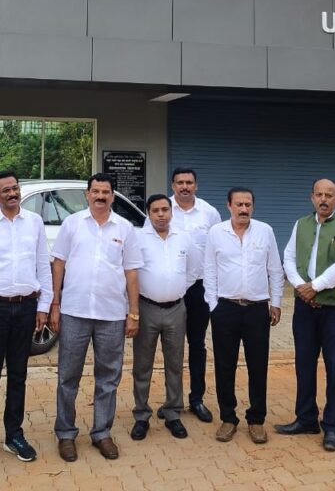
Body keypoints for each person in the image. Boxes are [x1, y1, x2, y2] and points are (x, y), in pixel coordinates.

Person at [49, 173, 143, 462]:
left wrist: (134, 313)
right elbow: (58, 264)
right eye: (96, 191)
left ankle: (102, 433)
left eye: (106, 192)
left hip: (111, 314)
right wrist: (55, 304)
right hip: (74, 311)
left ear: (113, 196)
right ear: (87, 194)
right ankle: (66, 434)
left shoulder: (125, 228)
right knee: (68, 376)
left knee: (108, 378)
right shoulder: (72, 224)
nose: (100, 196)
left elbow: (131, 273)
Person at [0, 170, 52, 471]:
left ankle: (14, 435)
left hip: (26, 308)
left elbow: (43, 265)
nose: (12, 193)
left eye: (15, 188)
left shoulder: (35, 223)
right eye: (5, 190)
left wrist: (44, 305)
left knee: (18, 375)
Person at [276, 179, 335, 452]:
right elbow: (288, 257)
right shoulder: (301, 224)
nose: (324, 199)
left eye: (329, 195)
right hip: (305, 307)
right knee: (304, 364)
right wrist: (301, 286)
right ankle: (306, 419)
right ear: (312, 197)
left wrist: (315, 287)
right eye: (319, 195)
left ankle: (332, 426)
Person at [203, 188, 283, 444]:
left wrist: (276, 302)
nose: (244, 209)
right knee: (224, 365)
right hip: (225, 309)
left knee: (258, 366)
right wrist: (213, 305)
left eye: (248, 204)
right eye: (239, 204)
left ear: (253, 207)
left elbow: (275, 269)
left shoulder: (265, 231)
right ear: (229, 206)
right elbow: (209, 270)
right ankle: (228, 418)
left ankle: (256, 420)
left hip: (257, 309)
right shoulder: (216, 232)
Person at [130, 194, 200, 442]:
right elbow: (130, 272)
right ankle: (141, 415)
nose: (161, 215)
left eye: (165, 210)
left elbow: (194, 270)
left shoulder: (184, 238)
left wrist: (175, 289)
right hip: (146, 308)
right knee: (142, 365)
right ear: (148, 213)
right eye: (155, 210)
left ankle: (172, 413)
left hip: (176, 309)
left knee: (174, 363)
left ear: (171, 212)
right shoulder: (138, 238)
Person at [160, 168, 221, 423]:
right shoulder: (162, 209)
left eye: (189, 182)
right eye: (180, 182)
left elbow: (219, 249)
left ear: (196, 185)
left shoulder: (209, 213)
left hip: (199, 288)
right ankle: (172, 400)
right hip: (171, 288)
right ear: (172, 185)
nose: (184, 186)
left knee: (197, 344)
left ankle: (197, 399)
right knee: (171, 347)